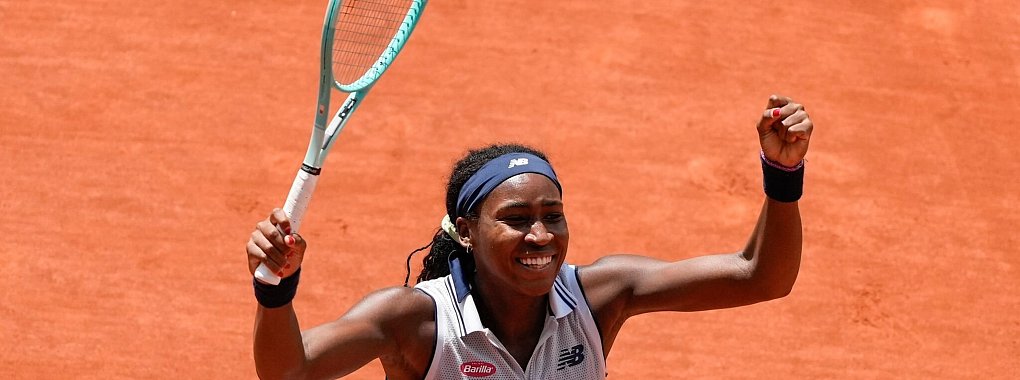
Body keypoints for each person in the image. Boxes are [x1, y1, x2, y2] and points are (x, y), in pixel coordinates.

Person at [246, 95, 814, 379]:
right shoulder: (414, 321)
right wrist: (277, 291)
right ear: (466, 231)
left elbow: (760, 276)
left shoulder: (599, 296)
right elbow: (289, 372)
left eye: (553, 214)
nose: (540, 234)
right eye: (516, 218)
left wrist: (782, 176)